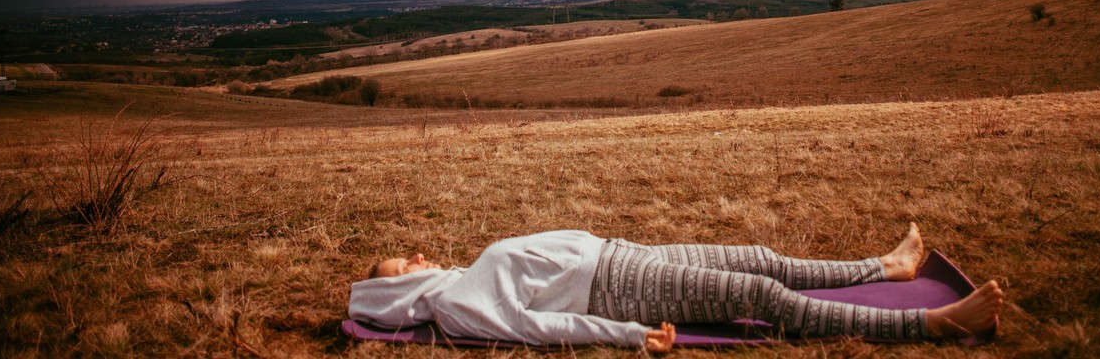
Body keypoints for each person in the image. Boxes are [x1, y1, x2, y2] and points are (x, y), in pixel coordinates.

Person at [348, 224, 1003, 352]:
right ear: (396, 296)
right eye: (399, 265)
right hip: (619, 291)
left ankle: (885, 269)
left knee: (759, 258)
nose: (415, 255)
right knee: (763, 300)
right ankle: (931, 325)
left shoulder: (460, 279)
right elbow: (541, 329)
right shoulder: (457, 304)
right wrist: (630, 335)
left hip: (627, 255)